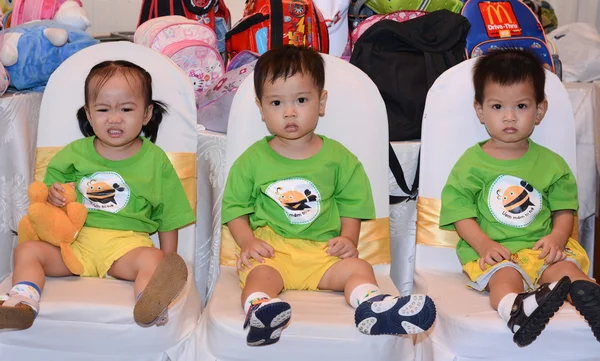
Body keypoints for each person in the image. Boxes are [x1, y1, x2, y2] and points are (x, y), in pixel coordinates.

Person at [221, 45, 436, 346]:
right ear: (261, 108)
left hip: (324, 256)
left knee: (359, 269)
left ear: (321, 102)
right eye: (276, 103)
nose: (290, 111)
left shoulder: (339, 159)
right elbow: (234, 207)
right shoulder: (251, 160)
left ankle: (372, 306)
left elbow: (352, 203)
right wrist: (247, 242)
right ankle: (261, 310)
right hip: (273, 252)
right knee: (259, 276)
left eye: (301, 100)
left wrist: (348, 238)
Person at [0, 60, 195, 330]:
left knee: (152, 260)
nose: (114, 118)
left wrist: (167, 260)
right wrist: (53, 197)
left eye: (126, 109)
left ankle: (150, 300)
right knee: (27, 251)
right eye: (103, 110)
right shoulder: (73, 154)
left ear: (147, 114)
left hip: (126, 247)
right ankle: (23, 300)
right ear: (89, 115)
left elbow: (169, 216)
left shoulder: (155, 160)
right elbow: (48, 198)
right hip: (75, 244)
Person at [440, 48, 600, 347]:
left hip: (541, 251)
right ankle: (515, 309)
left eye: (522, 106)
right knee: (505, 279)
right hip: (498, 254)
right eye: (498, 106)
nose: (509, 116)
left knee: (567, 271)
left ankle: (591, 302)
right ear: (480, 110)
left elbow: (564, 209)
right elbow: (460, 212)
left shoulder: (553, 164)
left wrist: (557, 238)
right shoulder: (471, 163)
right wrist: (484, 244)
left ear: (540, 110)